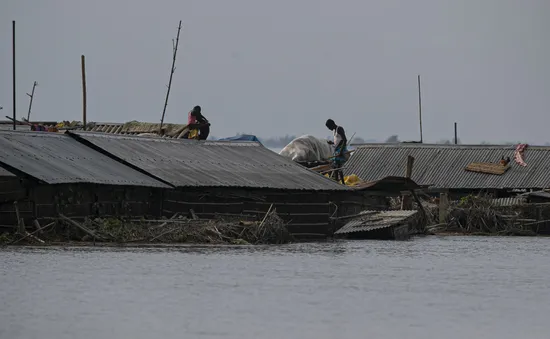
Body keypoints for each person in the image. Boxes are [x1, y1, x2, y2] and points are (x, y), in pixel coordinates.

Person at [325, 119, 348, 184]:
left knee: (338, 167)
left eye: (329, 127)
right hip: (337, 150)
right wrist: (332, 143)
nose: (329, 129)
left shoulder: (339, 128)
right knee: (336, 166)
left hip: (341, 149)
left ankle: (342, 183)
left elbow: (344, 140)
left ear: (332, 124)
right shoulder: (334, 131)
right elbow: (338, 141)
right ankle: (337, 181)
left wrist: (341, 151)